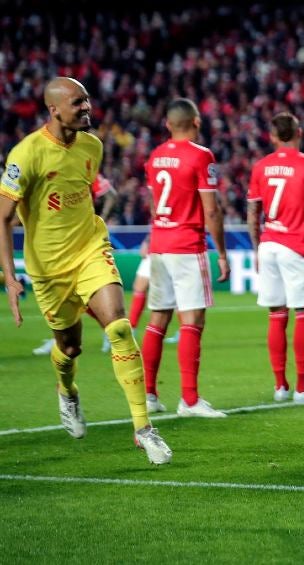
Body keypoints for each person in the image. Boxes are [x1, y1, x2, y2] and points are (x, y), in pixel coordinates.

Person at [0, 77, 171, 464]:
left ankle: (144, 429)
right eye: (78, 102)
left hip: (91, 250)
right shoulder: (25, 155)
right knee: (69, 347)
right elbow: (4, 217)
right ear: (54, 109)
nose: (87, 108)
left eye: (87, 100)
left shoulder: (92, 145)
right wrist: (10, 276)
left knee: (119, 327)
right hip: (49, 269)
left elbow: (84, 196)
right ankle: (67, 390)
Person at [141, 98, 230, 417]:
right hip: (187, 245)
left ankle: (148, 395)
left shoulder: (155, 157)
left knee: (157, 320)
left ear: (167, 124)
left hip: (160, 244)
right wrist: (221, 252)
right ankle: (189, 400)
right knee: (192, 320)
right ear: (196, 122)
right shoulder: (201, 156)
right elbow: (211, 210)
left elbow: (153, 205)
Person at [248, 112, 304, 404]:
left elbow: (253, 213)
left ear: (273, 137)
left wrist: (256, 248)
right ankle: (303, 388)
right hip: (298, 246)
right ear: (299, 132)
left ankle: (280, 386)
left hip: (269, 244)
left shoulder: (260, 167)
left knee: (276, 315)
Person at [32, 173, 119, 356]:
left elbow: (111, 194)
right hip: (57, 242)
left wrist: (99, 217)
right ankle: (62, 339)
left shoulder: (82, 168)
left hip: (80, 242)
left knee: (76, 293)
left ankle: (108, 330)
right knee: (63, 296)